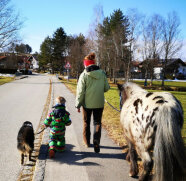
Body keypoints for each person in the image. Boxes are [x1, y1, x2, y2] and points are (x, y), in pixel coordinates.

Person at [75, 52, 110, 153]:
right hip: (99, 103)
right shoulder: (102, 73)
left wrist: (78, 104)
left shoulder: (83, 75)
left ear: (86, 64)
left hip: (87, 104)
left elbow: (80, 92)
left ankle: (86, 142)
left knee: (86, 122)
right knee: (97, 122)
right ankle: (96, 141)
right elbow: (106, 88)